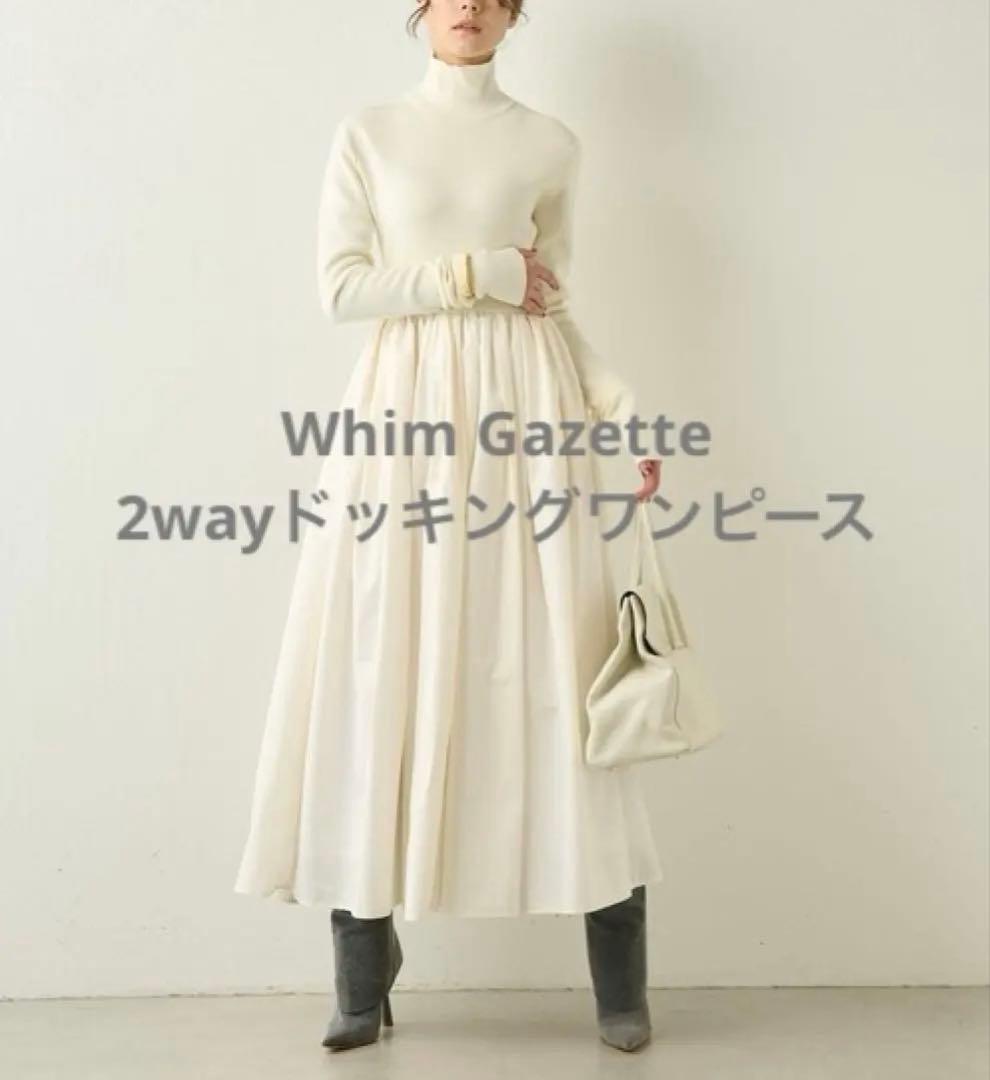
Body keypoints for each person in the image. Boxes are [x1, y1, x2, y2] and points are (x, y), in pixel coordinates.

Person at [234, 0, 664, 1054]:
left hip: (532, 412)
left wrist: (618, 405)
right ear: (420, 11)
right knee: (383, 659)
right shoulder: (371, 132)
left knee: (559, 660)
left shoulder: (550, 143)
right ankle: (362, 966)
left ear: (513, 13)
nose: (466, 7)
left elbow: (552, 303)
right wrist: (473, 274)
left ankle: (618, 974)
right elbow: (342, 290)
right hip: (405, 411)